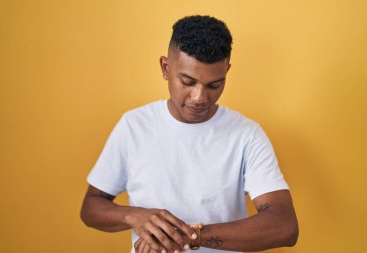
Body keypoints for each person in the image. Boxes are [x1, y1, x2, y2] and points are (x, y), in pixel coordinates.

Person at [80, 15, 298, 253]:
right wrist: (135, 217)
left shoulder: (247, 135)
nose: (199, 97)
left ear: (227, 71)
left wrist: (188, 235)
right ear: (165, 68)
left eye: (214, 85)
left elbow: (284, 226)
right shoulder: (134, 126)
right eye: (188, 81)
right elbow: (91, 208)